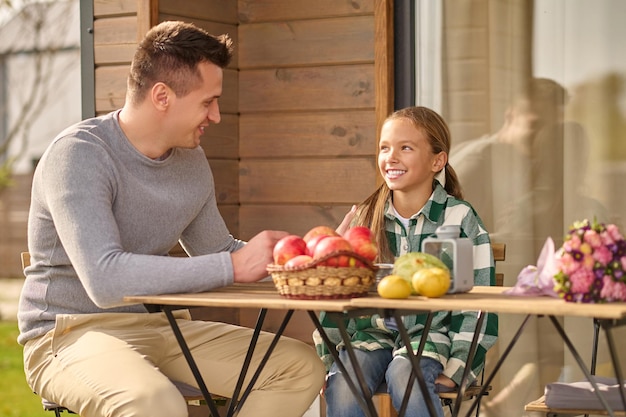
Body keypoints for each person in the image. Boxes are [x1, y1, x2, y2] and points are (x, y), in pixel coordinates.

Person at [16, 21, 325, 417]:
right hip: (68, 335)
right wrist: (232, 266)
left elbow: (218, 250)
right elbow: (105, 280)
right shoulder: (79, 156)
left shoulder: (190, 161)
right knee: (155, 404)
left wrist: (309, 263)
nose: (215, 116)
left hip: (161, 329)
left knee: (299, 367)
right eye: (207, 102)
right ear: (162, 96)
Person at [315, 106, 498, 417]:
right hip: (369, 336)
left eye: (406, 148)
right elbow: (337, 293)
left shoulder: (459, 219)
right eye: (385, 148)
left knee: (406, 376)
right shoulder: (365, 218)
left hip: (430, 340)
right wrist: (331, 360)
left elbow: (478, 305)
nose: (391, 157)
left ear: (437, 161)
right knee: (344, 384)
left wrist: (457, 370)